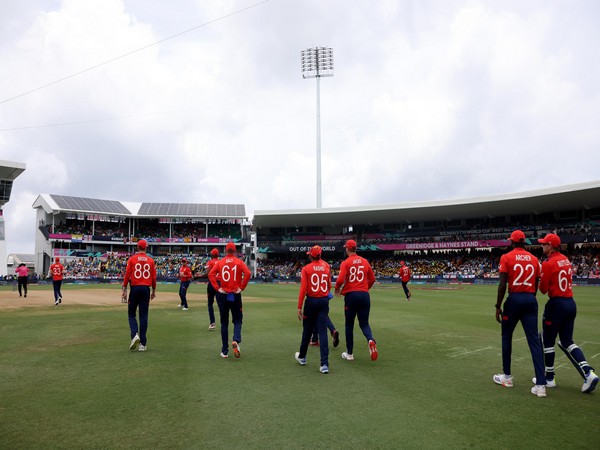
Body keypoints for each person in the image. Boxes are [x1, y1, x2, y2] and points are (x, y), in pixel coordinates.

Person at [537, 233, 599, 394]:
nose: (542, 246)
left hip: (556, 304)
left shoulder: (548, 263)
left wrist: (541, 277)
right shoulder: (565, 259)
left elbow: (543, 290)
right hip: (570, 303)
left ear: (550, 246)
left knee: (548, 341)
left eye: (544, 244)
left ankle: (549, 378)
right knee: (567, 341)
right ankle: (589, 373)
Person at [493, 230, 547, 397]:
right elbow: (537, 283)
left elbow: (502, 284)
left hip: (514, 299)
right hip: (530, 299)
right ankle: (540, 385)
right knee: (534, 341)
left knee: (506, 336)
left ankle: (507, 377)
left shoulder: (506, 257)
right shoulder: (534, 259)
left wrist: (498, 305)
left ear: (512, 242)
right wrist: (530, 297)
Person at [334, 239, 378, 362]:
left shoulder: (346, 262)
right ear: (356, 249)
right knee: (364, 323)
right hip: (364, 295)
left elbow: (340, 280)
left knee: (349, 325)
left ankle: (350, 353)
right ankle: (370, 340)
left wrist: (337, 289)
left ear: (347, 249)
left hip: (351, 296)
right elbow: (372, 279)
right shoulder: (365, 261)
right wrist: (364, 289)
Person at [208, 242, 251, 358]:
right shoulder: (239, 262)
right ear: (235, 251)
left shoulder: (220, 262)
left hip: (223, 294)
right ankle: (236, 339)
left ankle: (224, 350)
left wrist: (217, 288)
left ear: (226, 251)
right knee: (237, 320)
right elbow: (248, 273)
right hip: (235, 294)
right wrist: (241, 287)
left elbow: (211, 275)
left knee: (224, 323)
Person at [295, 245, 333, 374]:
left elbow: (303, 289)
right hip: (323, 301)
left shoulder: (306, 269)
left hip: (311, 301)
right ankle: (324, 364)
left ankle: (302, 357)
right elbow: (328, 287)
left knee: (307, 330)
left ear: (311, 255)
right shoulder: (326, 268)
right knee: (323, 332)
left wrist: (299, 306)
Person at [121, 239, 156, 352]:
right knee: (143, 316)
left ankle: (134, 334)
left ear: (137, 248)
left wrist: (124, 289)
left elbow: (127, 275)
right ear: (146, 248)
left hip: (135, 288)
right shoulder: (151, 260)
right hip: (146, 289)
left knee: (131, 314)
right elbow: (154, 278)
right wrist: (154, 291)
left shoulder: (132, 259)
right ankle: (143, 344)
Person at [201, 248, 220, 330]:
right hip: (220, 284)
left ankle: (212, 323)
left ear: (212, 255)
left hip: (212, 284)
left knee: (210, 304)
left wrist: (198, 276)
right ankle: (224, 321)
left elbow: (207, 273)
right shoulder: (221, 262)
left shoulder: (210, 262)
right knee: (221, 304)